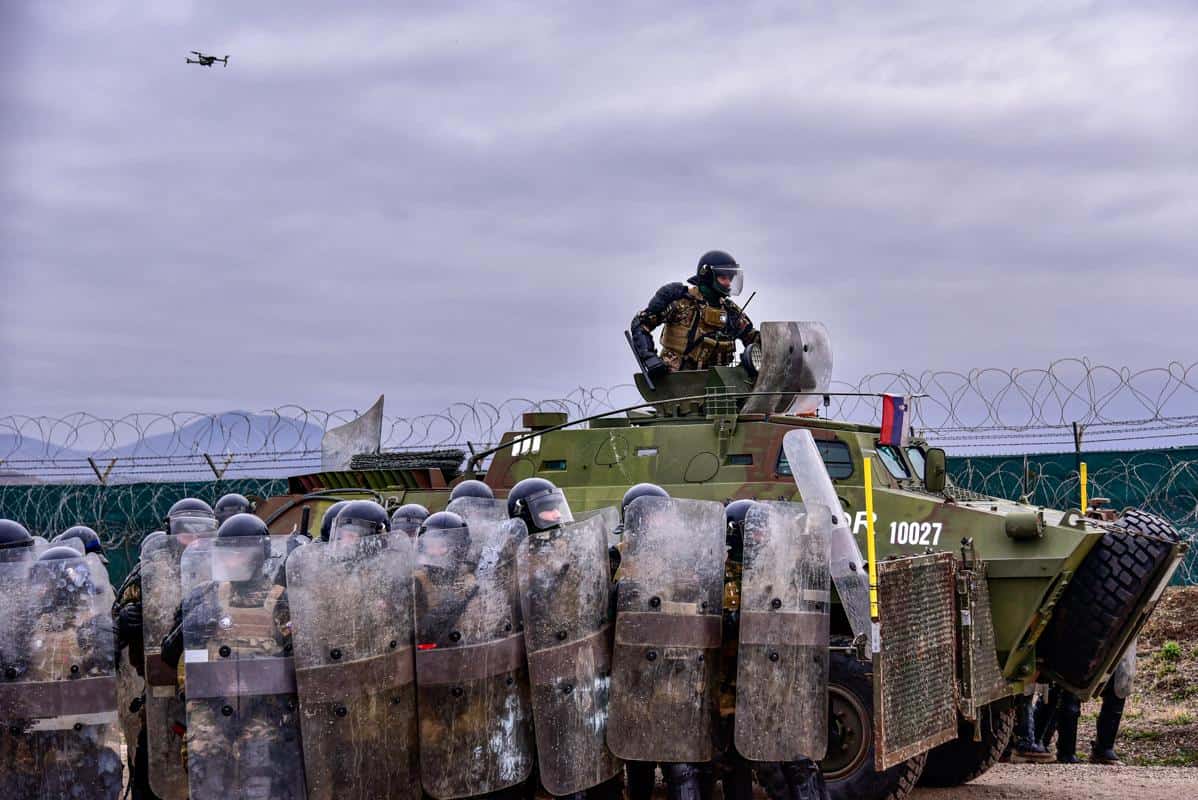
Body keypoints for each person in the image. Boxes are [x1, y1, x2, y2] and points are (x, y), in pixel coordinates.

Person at [171, 512, 307, 798]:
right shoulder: (203, 595)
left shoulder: (280, 600)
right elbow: (169, 654)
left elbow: (302, 662)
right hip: (211, 710)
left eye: (239, 555)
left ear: (259, 557)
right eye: (227, 554)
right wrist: (190, 628)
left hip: (265, 713)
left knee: (260, 780)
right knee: (207, 779)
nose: (231, 561)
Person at [510, 478, 623, 800]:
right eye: (546, 511)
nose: (555, 514)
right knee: (556, 748)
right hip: (543, 670)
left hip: (585, 662)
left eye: (556, 506)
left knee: (595, 745)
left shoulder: (578, 547)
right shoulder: (514, 561)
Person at [413, 509, 535, 800]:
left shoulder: (478, 579)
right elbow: (421, 632)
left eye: (443, 544)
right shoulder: (416, 583)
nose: (436, 551)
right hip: (436, 690)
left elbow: (499, 624)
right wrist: (457, 601)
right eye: (430, 544)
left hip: (479, 686)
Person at [112, 497, 218, 800]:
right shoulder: (150, 574)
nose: (194, 539)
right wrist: (123, 621)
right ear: (170, 532)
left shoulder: (227, 566)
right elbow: (108, 632)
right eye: (186, 530)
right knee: (156, 770)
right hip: (161, 694)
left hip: (214, 688)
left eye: (203, 531)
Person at [722, 500, 828, 800]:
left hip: (776, 680)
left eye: (762, 531)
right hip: (734, 683)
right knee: (741, 761)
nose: (760, 537)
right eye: (753, 532)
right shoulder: (724, 574)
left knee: (796, 759)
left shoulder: (780, 570)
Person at [629, 250, 759, 379]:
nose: (728, 283)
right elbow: (641, 324)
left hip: (718, 385)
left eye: (730, 279)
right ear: (707, 276)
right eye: (723, 277)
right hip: (674, 382)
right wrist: (650, 359)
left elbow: (754, 338)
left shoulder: (730, 312)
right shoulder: (681, 302)